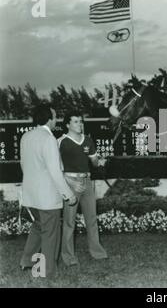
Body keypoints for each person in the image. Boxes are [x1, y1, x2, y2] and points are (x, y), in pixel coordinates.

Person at [19, 104, 77, 278]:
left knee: (37, 227)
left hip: (30, 195)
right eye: (54, 116)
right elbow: (55, 172)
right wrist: (69, 194)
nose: (56, 119)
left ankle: (27, 261)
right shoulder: (48, 139)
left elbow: (23, 165)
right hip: (47, 198)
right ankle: (47, 271)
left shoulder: (26, 137)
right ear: (49, 119)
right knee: (51, 234)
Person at [58, 110, 108, 266]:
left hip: (87, 182)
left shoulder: (88, 140)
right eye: (75, 121)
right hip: (70, 183)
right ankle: (68, 257)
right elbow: (55, 168)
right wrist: (71, 183)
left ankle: (98, 253)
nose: (80, 124)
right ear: (67, 124)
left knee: (92, 220)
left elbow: (93, 161)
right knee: (69, 222)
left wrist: (99, 161)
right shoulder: (60, 142)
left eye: (80, 121)